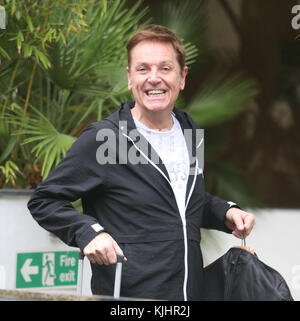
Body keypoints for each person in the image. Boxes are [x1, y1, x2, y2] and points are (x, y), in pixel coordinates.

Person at [28, 25, 255, 301]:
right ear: (129, 77)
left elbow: (181, 205)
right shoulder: (105, 138)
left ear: (182, 77)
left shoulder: (190, 131)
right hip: (129, 300)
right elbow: (44, 200)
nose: (154, 79)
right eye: (143, 69)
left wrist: (225, 212)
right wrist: (89, 233)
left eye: (165, 68)